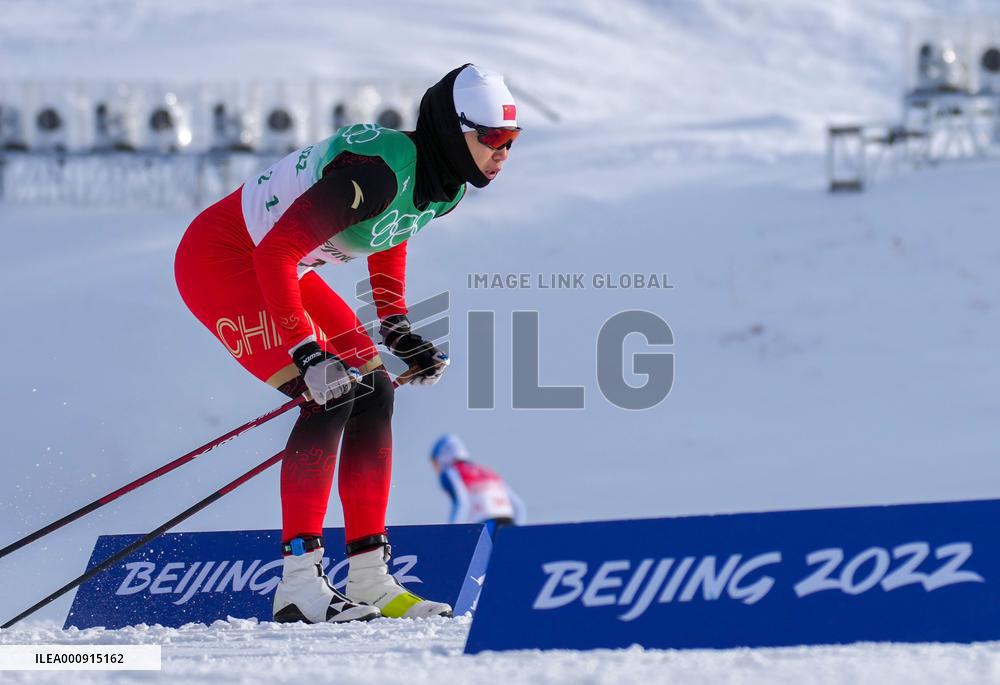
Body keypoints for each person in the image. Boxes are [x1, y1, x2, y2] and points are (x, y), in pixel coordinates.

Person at [173, 64, 520, 624]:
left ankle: (367, 579)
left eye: (512, 139)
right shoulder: (376, 172)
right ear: (452, 132)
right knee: (330, 392)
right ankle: (298, 584)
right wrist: (306, 354)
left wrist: (398, 328)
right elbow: (273, 254)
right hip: (226, 261)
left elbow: (391, 233)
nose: (503, 153)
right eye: (492, 138)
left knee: (376, 390)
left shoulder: (445, 185)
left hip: (282, 266)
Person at [431, 434, 526, 539]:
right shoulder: (488, 472)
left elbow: (462, 502)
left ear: (442, 456)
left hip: (485, 526)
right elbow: (519, 506)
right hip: (508, 524)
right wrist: (516, 533)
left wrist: (451, 533)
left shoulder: (451, 472)